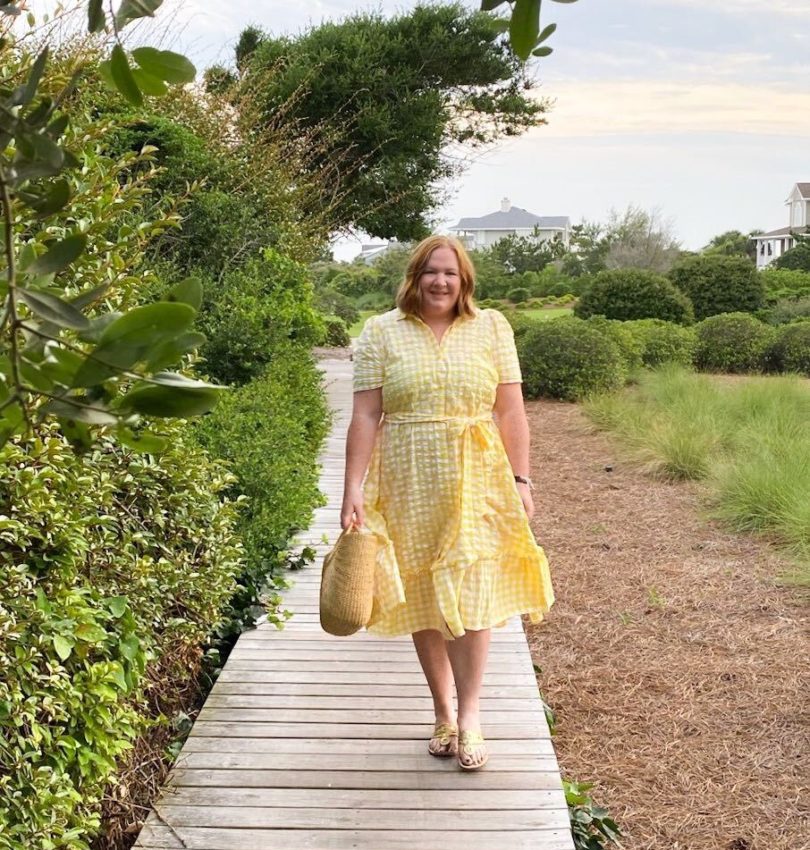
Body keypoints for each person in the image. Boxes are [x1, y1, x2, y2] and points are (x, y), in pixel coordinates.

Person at [341, 234, 555, 771]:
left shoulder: (491, 328)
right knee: (423, 596)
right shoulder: (380, 332)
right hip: (408, 476)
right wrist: (352, 489)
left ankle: (471, 715)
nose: (440, 282)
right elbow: (366, 415)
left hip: (477, 475)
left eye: (451, 274)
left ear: (465, 282)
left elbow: (511, 413)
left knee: (475, 591)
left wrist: (522, 479)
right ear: (414, 277)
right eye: (431, 272)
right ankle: (441, 711)